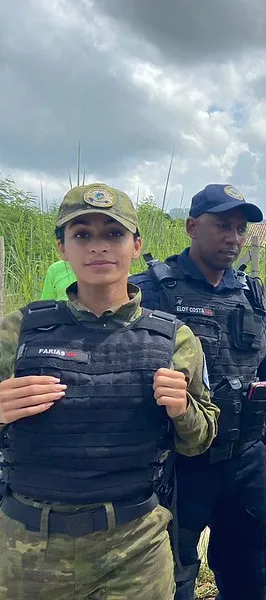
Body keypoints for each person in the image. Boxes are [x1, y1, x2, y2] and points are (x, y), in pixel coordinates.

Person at [0, 183, 219, 599]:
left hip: (134, 546)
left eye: (114, 234)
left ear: (136, 246)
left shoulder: (174, 338)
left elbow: (201, 441)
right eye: (82, 234)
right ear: (62, 248)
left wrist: (182, 410)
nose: (98, 246)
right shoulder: (19, 330)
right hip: (28, 548)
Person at [130, 183, 266, 600]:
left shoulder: (249, 295)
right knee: (170, 582)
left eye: (240, 229)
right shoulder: (147, 292)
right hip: (175, 470)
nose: (233, 238)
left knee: (248, 578)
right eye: (222, 226)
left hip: (245, 464)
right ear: (192, 227)